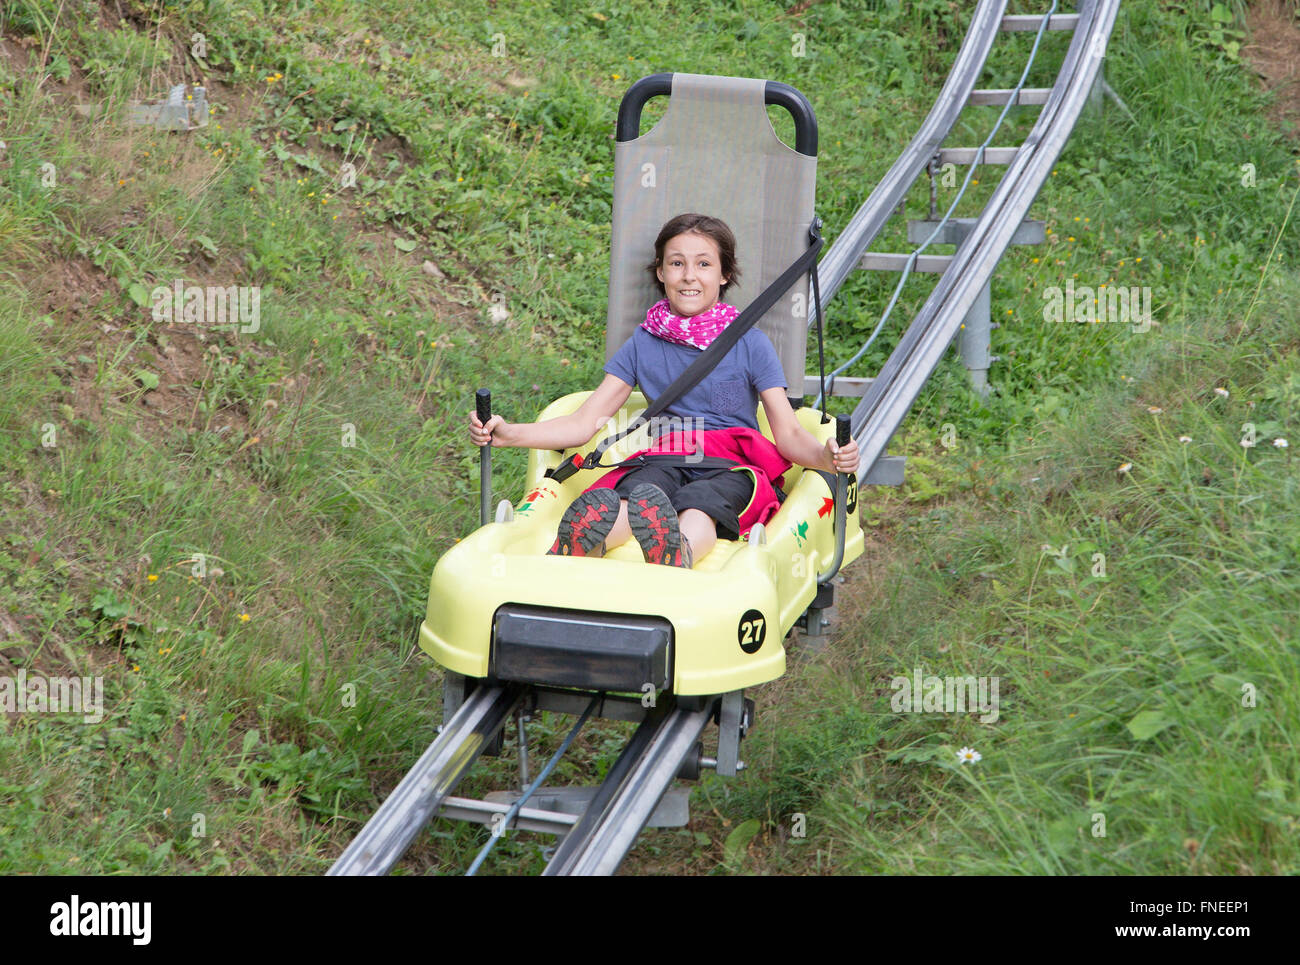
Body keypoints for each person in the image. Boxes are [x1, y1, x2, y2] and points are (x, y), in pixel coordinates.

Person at [469, 212, 859, 568]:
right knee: (636, 495)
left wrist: (827, 457)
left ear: (724, 275)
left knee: (702, 506)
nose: (689, 275)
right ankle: (585, 541)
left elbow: (788, 433)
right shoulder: (644, 343)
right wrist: (508, 434)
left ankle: (678, 550)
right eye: (677, 263)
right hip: (666, 455)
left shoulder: (750, 343)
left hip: (732, 464)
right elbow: (585, 422)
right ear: (661, 272)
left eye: (703, 264)